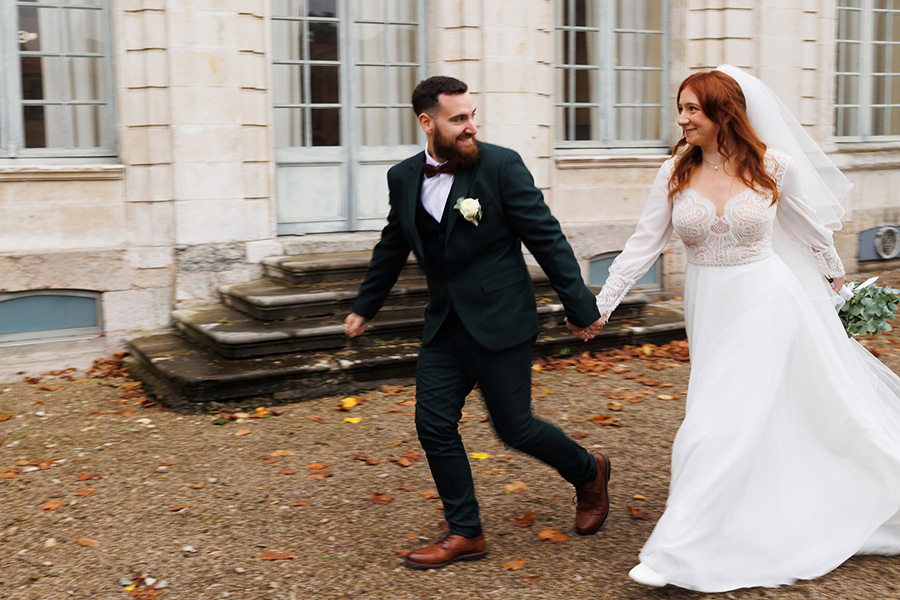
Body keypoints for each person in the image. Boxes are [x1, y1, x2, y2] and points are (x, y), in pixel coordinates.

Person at [594, 65, 900, 592]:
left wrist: (836, 280)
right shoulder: (673, 173)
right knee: (740, 412)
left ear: (723, 113)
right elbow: (642, 245)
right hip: (710, 305)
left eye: (693, 108)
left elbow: (806, 225)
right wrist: (601, 305)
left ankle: (676, 549)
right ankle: (762, 513)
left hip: (766, 298)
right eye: (682, 107)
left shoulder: (772, 165)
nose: (683, 118)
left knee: (719, 420)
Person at [344, 75, 610, 569]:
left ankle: (589, 471)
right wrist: (366, 305)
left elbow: (545, 238)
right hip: (445, 324)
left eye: (472, 117)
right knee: (433, 423)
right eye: (458, 119)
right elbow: (392, 244)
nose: (470, 127)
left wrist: (581, 305)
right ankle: (466, 530)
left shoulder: (501, 166)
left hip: (501, 318)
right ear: (427, 122)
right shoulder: (403, 177)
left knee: (515, 428)